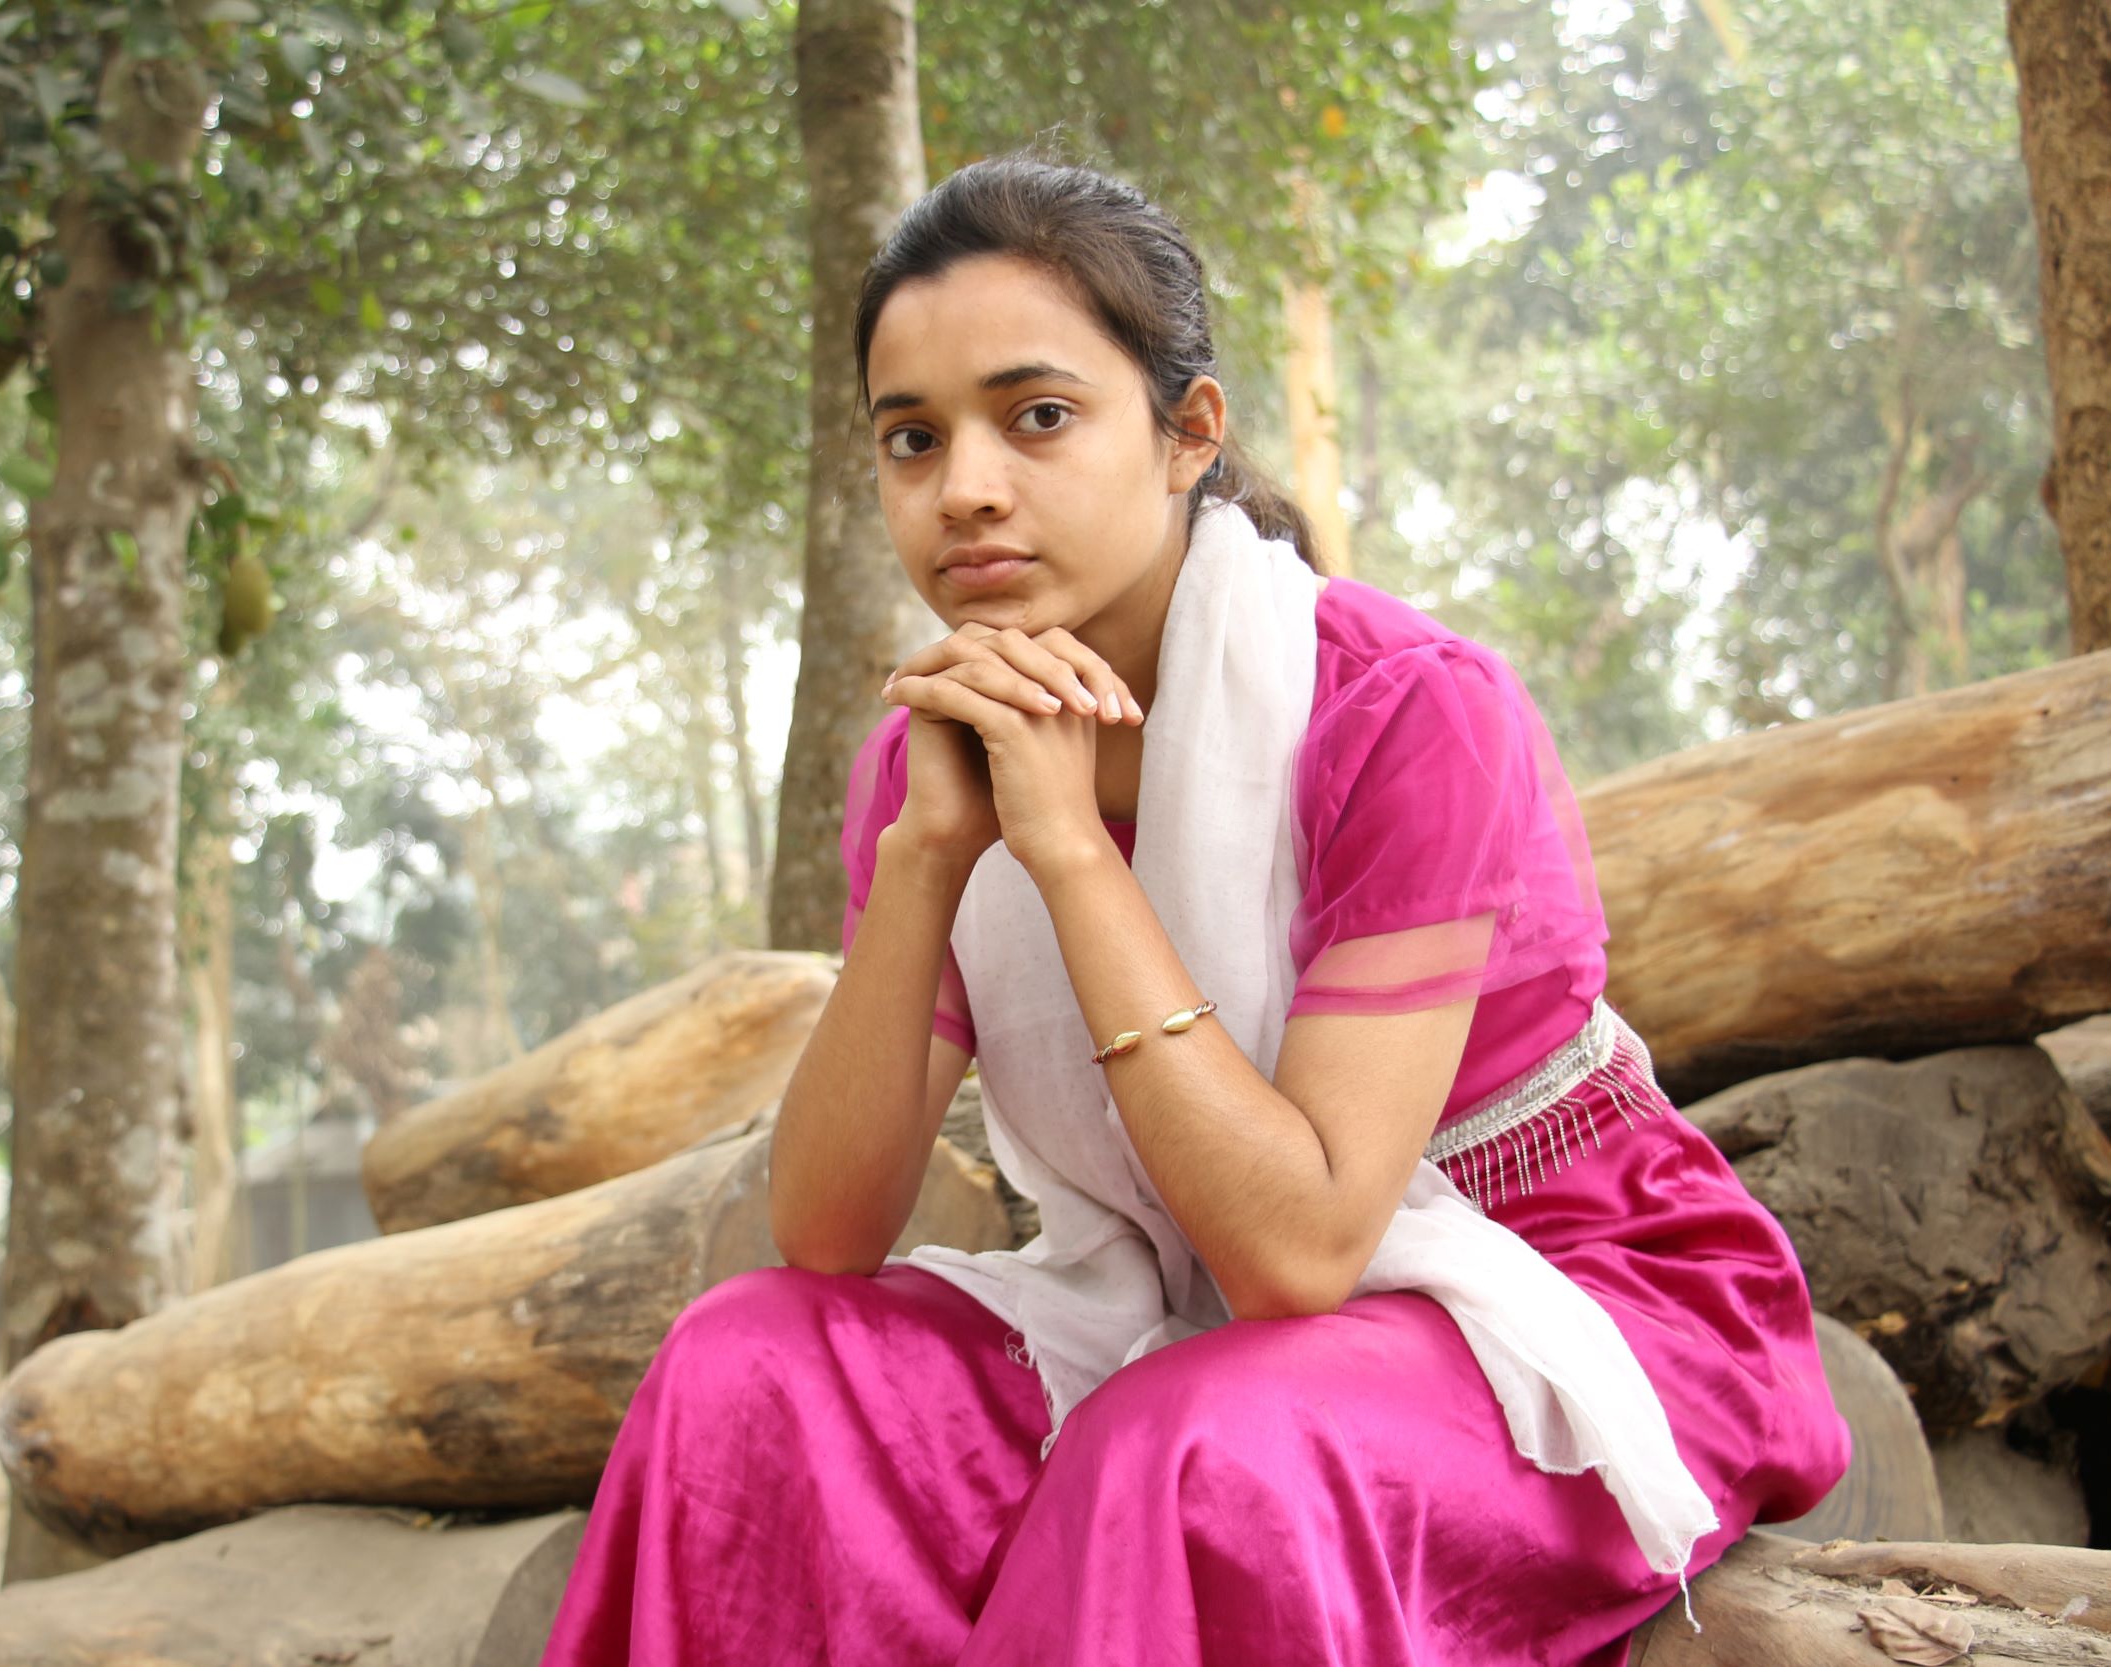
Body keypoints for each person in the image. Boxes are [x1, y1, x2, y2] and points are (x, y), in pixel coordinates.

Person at [538, 156, 1848, 1667]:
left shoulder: (1403, 712)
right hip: (1164, 1299)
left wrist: (1074, 857)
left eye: (1038, 416)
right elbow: (826, 1232)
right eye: (913, 438)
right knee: (746, 1360)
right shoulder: (925, 758)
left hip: (1550, 1285)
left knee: (1189, 1453)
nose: (967, 486)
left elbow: (1297, 1253)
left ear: (1188, 433)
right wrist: (926, 861)